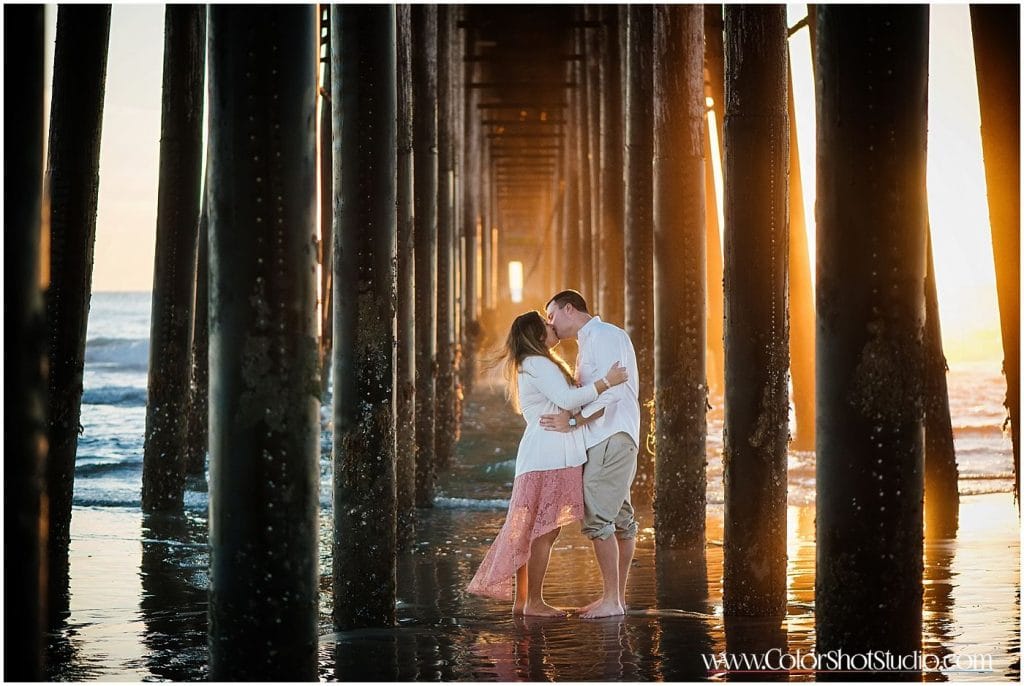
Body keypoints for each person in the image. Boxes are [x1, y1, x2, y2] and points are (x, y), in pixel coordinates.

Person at [467, 310, 629, 617]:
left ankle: (524, 601)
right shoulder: (537, 363)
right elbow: (569, 400)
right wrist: (606, 382)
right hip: (550, 457)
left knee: (535, 529)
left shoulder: (532, 364)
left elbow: (565, 400)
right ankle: (534, 602)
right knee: (543, 531)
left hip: (543, 456)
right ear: (537, 334)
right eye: (546, 324)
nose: (552, 325)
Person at [541, 290, 640, 619]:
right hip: (606, 438)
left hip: (612, 435)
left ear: (570, 309)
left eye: (552, 315)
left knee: (597, 516)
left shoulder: (605, 335)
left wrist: (573, 420)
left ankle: (612, 599)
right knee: (621, 520)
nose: (550, 324)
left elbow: (613, 391)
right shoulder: (589, 342)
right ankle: (616, 599)